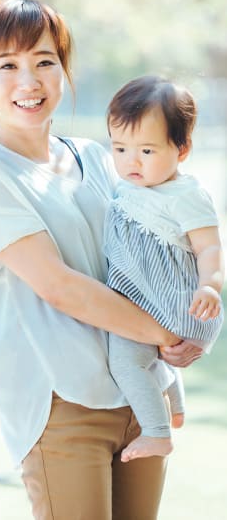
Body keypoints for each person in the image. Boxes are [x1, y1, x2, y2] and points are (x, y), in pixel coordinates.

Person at [0, 0, 203, 520]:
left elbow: (151, 253)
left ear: (63, 71)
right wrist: (168, 332)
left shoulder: (98, 158)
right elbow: (60, 287)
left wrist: (188, 320)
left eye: (44, 61)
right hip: (63, 407)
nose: (29, 81)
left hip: (139, 394)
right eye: (8, 66)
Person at [104, 75, 224, 463]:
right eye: (120, 148)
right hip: (147, 297)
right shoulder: (128, 187)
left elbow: (209, 247)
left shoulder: (186, 195)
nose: (131, 161)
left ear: (182, 149)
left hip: (175, 302)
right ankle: (175, 400)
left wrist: (211, 285)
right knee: (153, 355)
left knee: (126, 361)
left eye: (147, 150)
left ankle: (157, 434)